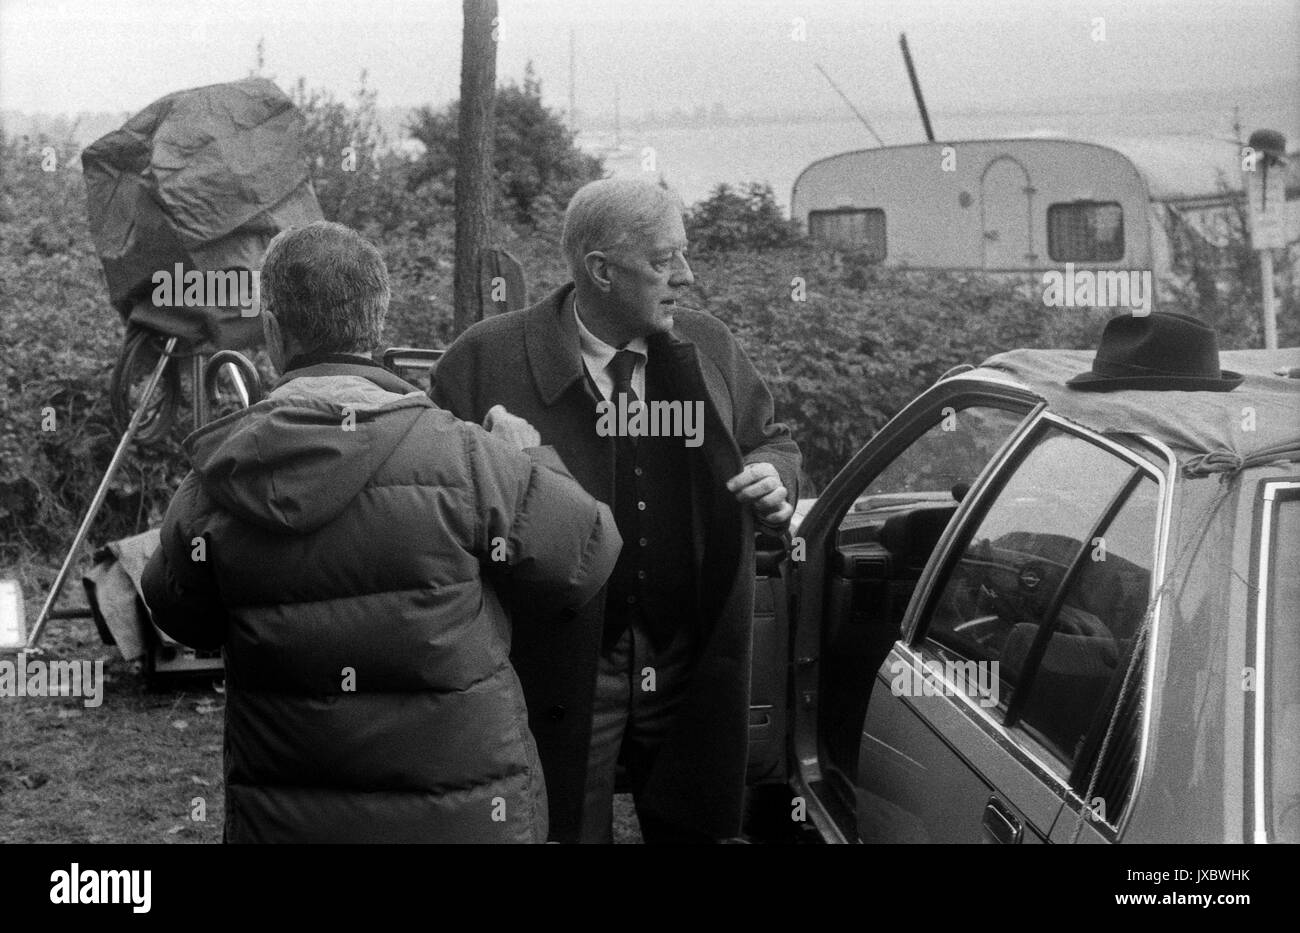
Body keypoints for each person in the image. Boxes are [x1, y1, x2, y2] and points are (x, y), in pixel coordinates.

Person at [141, 221, 620, 843]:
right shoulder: (470, 459)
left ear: (274, 331)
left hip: (288, 820)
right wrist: (529, 462)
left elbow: (179, 614)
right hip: (465, 820)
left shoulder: (219, 481)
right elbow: (588, 554)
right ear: (376, 324)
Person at [432, 178, 802, 843]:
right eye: (664, 260)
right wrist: (491, 465)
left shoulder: (708, 344)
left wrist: (775, 475)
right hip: (558, 661)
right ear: (600, 270)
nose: (685, 277)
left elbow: (770, 437)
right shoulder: (481, 362)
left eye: (683, 256)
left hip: (687, 651)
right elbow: (434, 509)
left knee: (700, 821)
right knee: (560, 824)